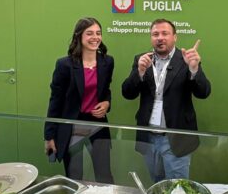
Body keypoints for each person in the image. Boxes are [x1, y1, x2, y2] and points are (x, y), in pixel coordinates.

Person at [122, 18, 211, 182]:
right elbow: (127, 93)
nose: (160, 38)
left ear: (175, 37)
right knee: (157, 184)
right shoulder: (142, 59)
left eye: (165, 33)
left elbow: (204, 92)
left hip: (176, 138)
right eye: (155, 34)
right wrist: (139, 72)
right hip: (148, 137)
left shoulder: (186, 59)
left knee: (178, 187)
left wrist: (194, 69)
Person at [44, 17, 114, 183]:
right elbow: (55, 100)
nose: (95, 37)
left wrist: (107, 103)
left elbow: (106, 90)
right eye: (89, 33)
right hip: (72, 125)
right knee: (74, 176)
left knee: (104, 174)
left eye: (98, 33)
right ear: (79, 36)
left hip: (97, 125)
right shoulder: (64, 65)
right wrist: (49, 136)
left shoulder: (107, 62)